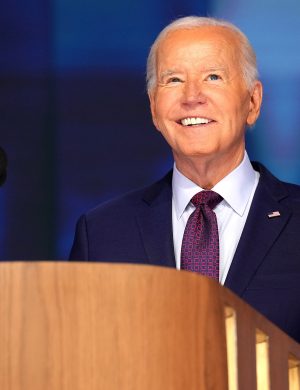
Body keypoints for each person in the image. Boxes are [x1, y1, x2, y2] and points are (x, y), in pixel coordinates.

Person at [69, 16, 300, 343]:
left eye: (213, 76)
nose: (192, 96)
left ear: (253, 101)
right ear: (153, 107)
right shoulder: (103, 233)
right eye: (174, 79)